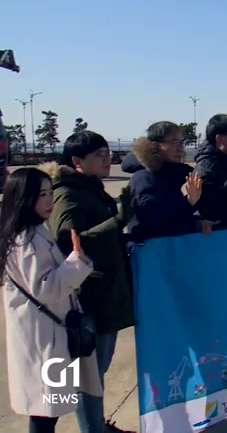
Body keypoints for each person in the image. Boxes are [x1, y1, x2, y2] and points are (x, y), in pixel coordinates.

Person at [39, 132, 136, 433]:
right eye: (99, 155)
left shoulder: (90, 189)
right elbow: (69, 243)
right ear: (76, 161)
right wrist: (118, 221)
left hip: (104, 295)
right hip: (87, 300)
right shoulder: (68, 195)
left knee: (96, 371)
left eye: (108, 153)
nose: (107, 159)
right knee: (87, 376)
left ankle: (97, 425)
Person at [0, 168, 102, 433]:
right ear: (23, 199)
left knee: (49, 409)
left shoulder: (31, 232)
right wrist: (77, 261)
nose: (49, 201)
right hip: (45, 338)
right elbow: (45, 288)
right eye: (41, 195)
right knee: (45, 412)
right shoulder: (27, 240)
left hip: (49, 334)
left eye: (50, 193)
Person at [125, 121, 211, 243]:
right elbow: (154, 221)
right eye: (174, 142)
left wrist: (197, 222)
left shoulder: (179, 174)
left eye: (182, 142)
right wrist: (188, 203)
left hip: (176, 249)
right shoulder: (144, 178)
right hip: (152, 251)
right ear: (155, 146)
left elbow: (181, 218)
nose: (180, 147)